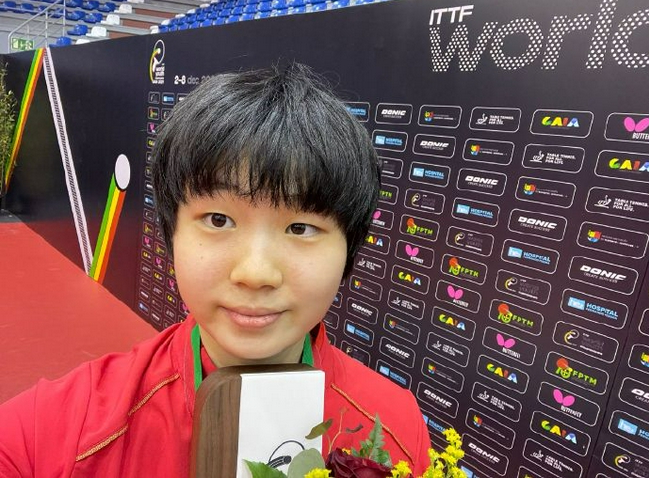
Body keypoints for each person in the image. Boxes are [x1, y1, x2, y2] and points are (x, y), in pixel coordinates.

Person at [0, 63, 431, 476]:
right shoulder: (47, 435)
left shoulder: (395, 427)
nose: (256, 273)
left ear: (349, 248)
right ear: (171, 232)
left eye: (301, 228)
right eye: (218, 220)